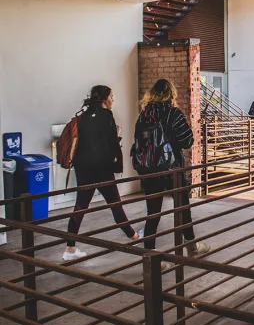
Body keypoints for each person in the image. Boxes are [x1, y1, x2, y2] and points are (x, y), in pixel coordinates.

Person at [63, 86, 140, 261]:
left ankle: (70, 248)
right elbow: (111, 142)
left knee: (80, 206)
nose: (113, 100)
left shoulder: (82, 116)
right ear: (105, 98)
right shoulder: (106, 115)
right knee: (115, 203)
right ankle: (133, 236)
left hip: (83, 167)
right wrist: (118, 164)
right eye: (112, 96)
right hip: (102, 168)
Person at [136, 79, 209, 257]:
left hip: (149, 170)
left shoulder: (144, 115)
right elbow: (187, 141)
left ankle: (150, 255)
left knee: (152, 212)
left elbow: (138, 140)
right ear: (171, 94)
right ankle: (191, 247)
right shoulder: (173, 113)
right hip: (171, 169)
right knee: (182, 208)